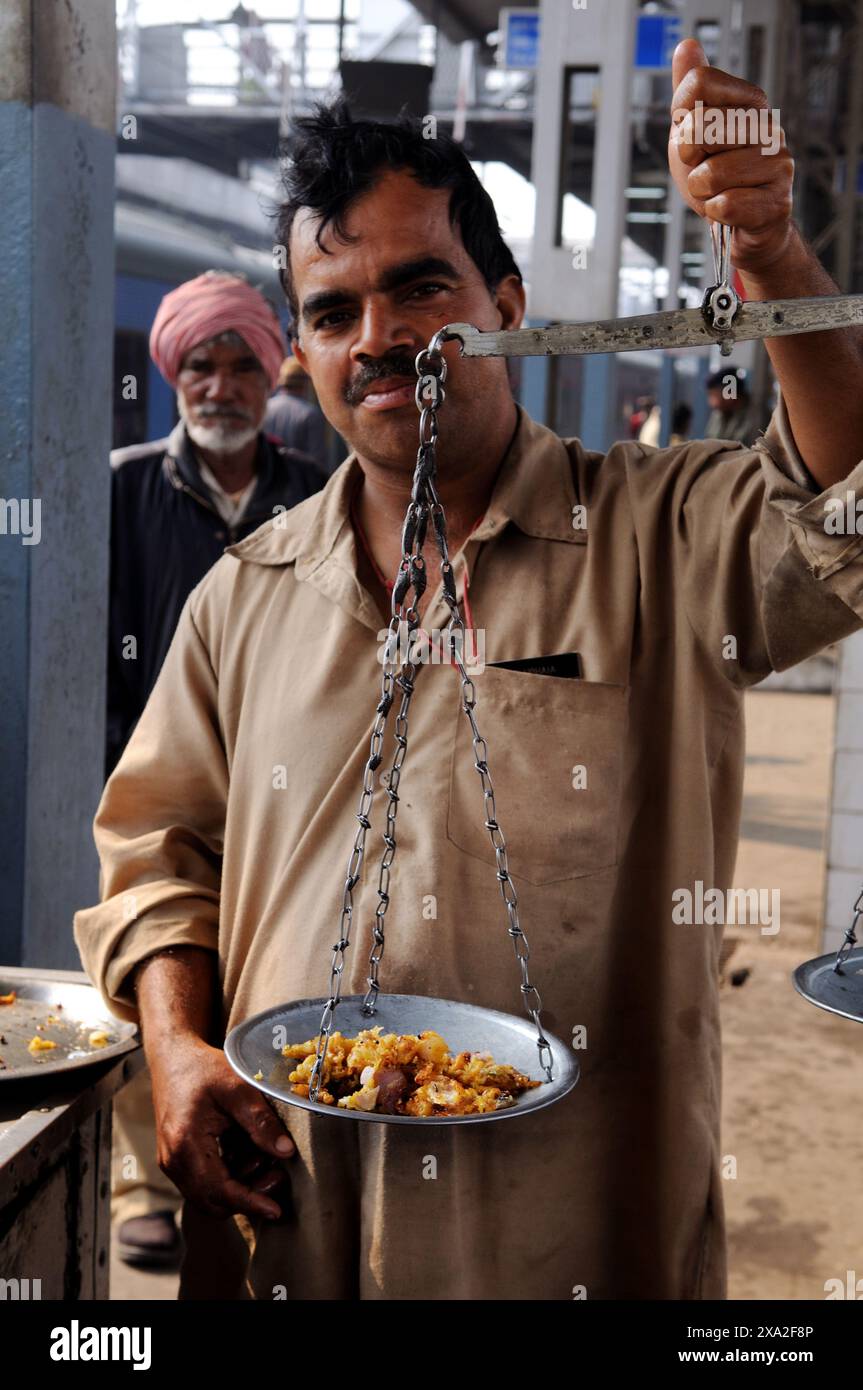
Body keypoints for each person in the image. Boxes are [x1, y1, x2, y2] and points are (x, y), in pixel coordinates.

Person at [75, 40, 863, 1300]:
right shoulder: (245, 594)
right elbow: (159, 853)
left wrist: (771, 255)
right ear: (305, 354)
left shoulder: (658, 535)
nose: (377, 339)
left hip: (571, 1228)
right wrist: (173, 1044)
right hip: (292, 1218)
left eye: (420, 288)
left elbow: (841, 502)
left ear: (504, 304)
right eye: (333, 314)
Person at [106, 269, 328, 1267]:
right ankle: (135, 1186)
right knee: (151, 973)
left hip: (286, 801)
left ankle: (248, 1165)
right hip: (154, 783)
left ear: (274, 370)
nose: (223, 384)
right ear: (173, 376)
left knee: (258, 985)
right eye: (203, 364)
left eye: (244, 363)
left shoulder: (319, 496)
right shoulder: (119, 490)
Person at [264, 353, 329, 467]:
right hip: (301, 482)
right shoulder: (310, 414)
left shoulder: (265, 409)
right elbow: (317, 460)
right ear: (305, 382)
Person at [703, 364, 766, 444]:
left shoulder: (757, 416)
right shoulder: (719, 413)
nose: (711, 402)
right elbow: (709, 441)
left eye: (714, 395)